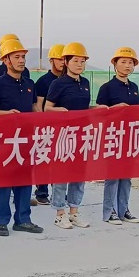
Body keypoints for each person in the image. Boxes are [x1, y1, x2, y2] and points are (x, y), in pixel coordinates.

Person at [0, 39, 44, 237]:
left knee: (25, 180)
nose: (21, 60)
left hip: (26, 140)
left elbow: (34, 108)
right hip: (6, 140)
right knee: (4, 181)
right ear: (6, 60)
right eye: (16, 57)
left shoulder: (29, 84)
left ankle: (23, 220)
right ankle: (1, 222)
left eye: (23, 57)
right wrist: (6, 114)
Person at [97, 47, 139, 224]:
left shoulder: (134, 87)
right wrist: (114, 109)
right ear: (115, 64)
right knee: (112, 176)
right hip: (113, 136)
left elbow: (137, 111)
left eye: (130, 62)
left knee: (126, 176)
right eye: (123, 62)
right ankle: (109, 211)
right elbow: (99, 113)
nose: (127, 66)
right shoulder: (106, 88)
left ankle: (123, 210)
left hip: (129, 136)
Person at [44, 42, 104, 230]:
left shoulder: (85, 83)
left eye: (82, 61)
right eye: (75, 60)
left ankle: (74, 212)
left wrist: (96, 108)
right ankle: (59, 214)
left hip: (82, 135)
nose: (79, 64)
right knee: (61, 176)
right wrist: (60, 111)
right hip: (63, 136)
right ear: (66, 62)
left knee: (79, 175)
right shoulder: (58, 83)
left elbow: (83, 108)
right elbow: (47, 108)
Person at [31, 44, 66, 206]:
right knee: (44, 159)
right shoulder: (43, 81)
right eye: (59, 59)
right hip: (47, 127)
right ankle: (42, 192)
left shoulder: (67, 81)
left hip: (63, 128)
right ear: (51, 60)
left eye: (64, 59)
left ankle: (58, 191)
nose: (62, 63)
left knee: (60, 160)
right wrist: (44, 123)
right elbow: (38, 105)